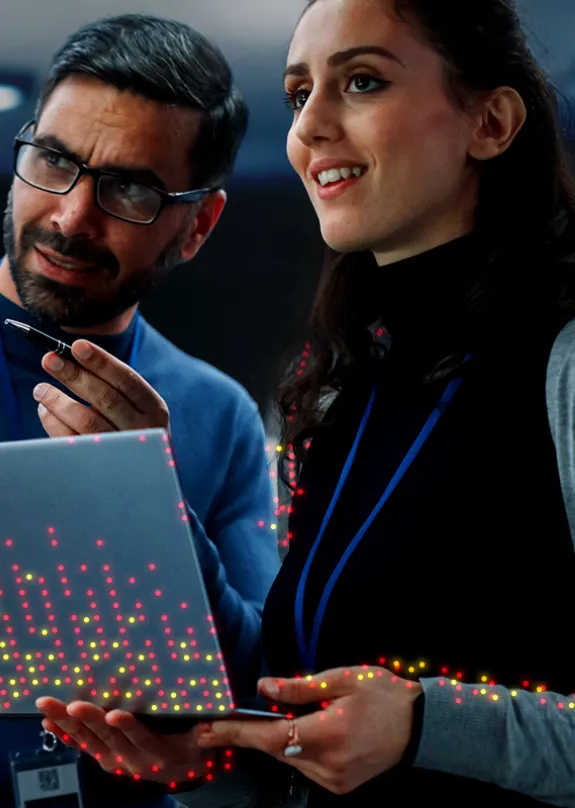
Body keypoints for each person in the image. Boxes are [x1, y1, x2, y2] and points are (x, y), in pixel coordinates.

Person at [36, 0, 575, 805]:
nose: (308, 127)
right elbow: (304, 698)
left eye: (360, 81)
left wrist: (428, 721)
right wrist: (215, 752)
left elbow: (408, 731)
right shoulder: (336, 384)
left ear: (490, 123)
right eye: (297, 95)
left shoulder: (561, 362)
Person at [0, 13, 279, 808]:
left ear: (196, 226)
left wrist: (151, 501)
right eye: (53, 160)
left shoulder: (212, 412)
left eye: (130, 188)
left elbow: (254, 686)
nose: (71, 217)